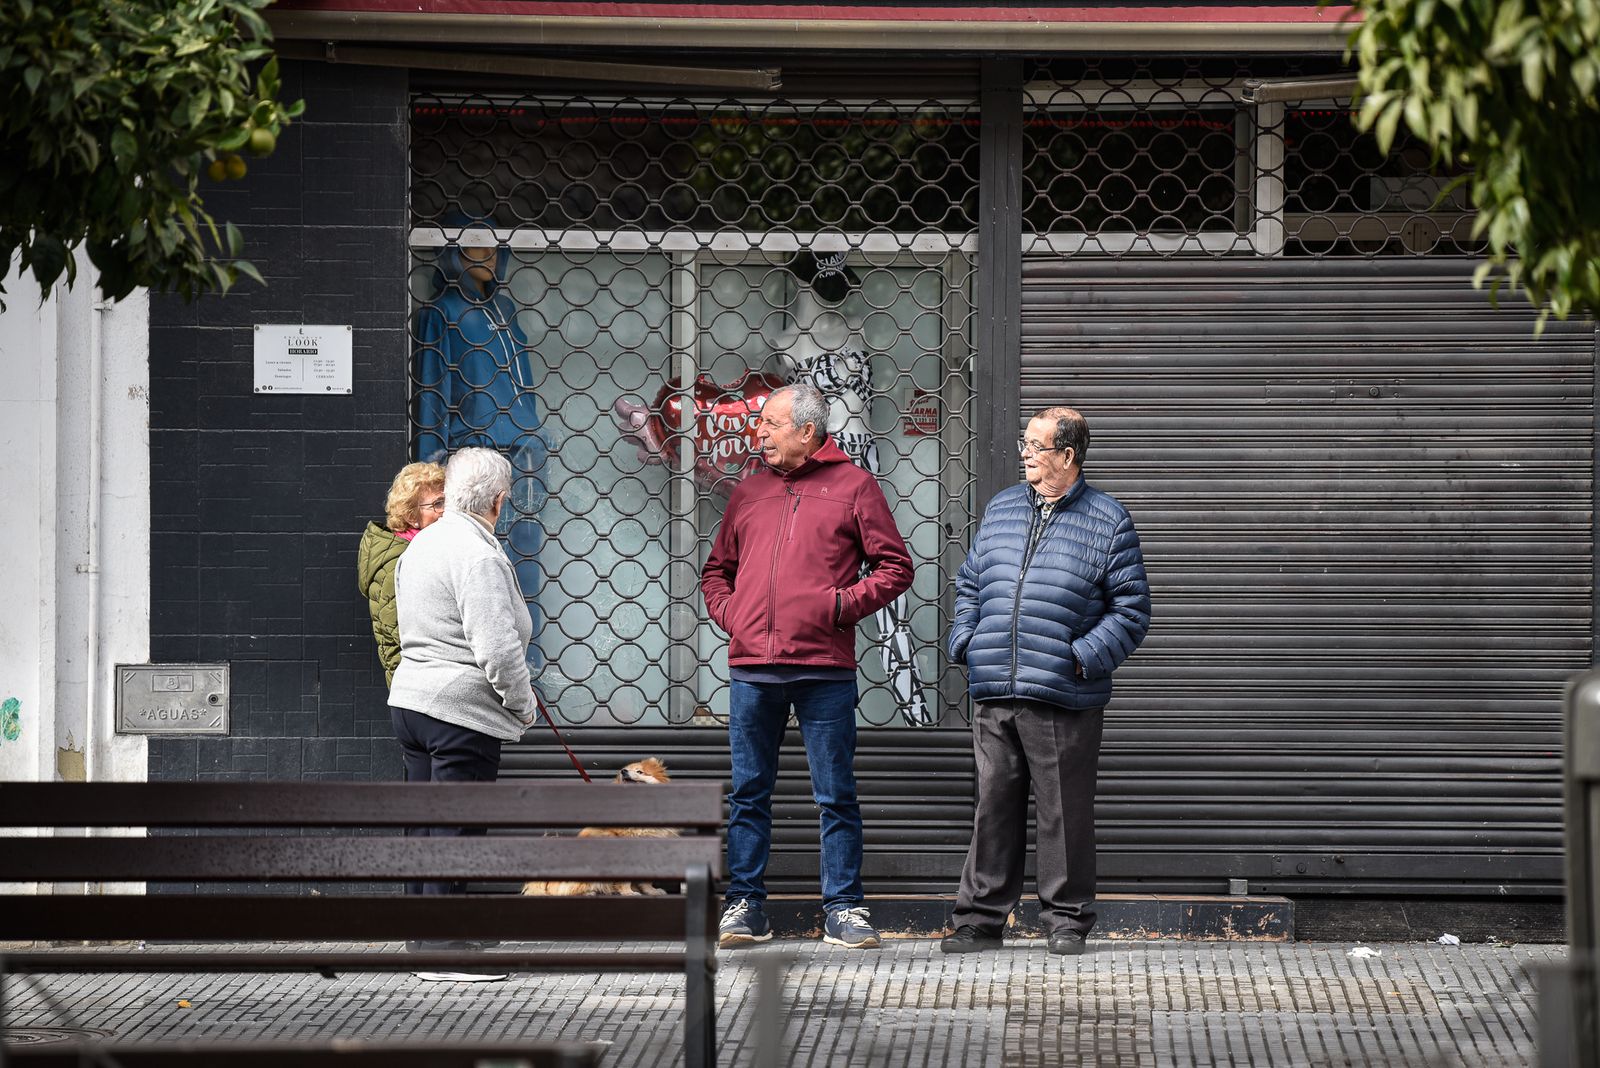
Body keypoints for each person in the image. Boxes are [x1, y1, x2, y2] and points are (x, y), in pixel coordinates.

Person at [700, 383, 914, 950]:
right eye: (759, 424)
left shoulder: (854, 487)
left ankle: (844, 908)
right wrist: (734, 615)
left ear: (807, 431)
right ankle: (745, 906)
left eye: (770, 424)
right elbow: (715, 571)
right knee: (749, 791)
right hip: (753, 667)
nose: (759, 433)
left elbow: (895, 566)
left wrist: (839, 607)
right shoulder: (748, 492)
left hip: (824, 668)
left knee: (834, 794)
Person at [941, 407, 1150, 957]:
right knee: (993, 806)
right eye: (1023, 442)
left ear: (1067, 456)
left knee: (1064, 811)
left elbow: (1132, 611)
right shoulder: (1004, 508)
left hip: (1062, 692)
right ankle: (980, 920)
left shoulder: (1109, 519)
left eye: (1035, 445)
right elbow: (970, 583)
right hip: (995, 688)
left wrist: (1080, 658)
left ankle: (1066, 920)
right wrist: (967, 638)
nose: (1024, 453)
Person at [389, 448, 537, 977]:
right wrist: (523, 705)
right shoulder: (478, 555)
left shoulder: (423, 544)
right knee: (456, 825)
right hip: (458, 709)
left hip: (412, 701)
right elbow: (497, 649)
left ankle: (425, 935)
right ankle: (447, 948)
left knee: (425, 823)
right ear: (498, 502)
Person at [357, 462, 446, 687]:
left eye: (446, 501)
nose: (445, 510)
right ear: (411, 515)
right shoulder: (397, 561)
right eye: (437, 504)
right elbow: (401, 634)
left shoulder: (423, 549)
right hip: (416, 686)